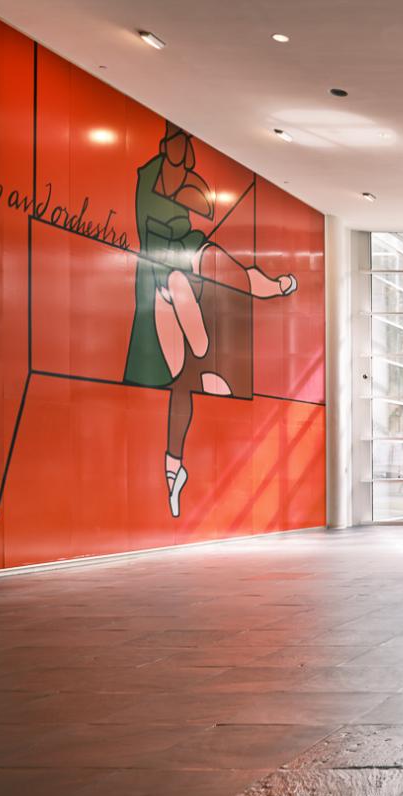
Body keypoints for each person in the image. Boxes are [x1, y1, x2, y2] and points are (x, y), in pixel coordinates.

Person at [123, 122, 299, 517]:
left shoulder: (183, 183)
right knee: (181, 370)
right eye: (175, 145)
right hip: (162, 265)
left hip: (179, 258)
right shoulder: (151, 178)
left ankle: (255, 295)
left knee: (221, 272)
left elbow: (202, 205)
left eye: (182, 147)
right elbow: (183, 201)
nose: (180, 155)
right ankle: (174, 468)